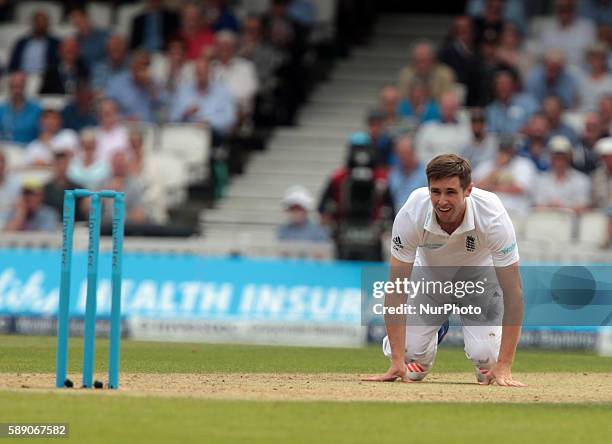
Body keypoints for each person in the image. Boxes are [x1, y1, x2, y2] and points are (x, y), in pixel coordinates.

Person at [364, 154, 526, 387]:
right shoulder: (412, 212)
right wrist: (397, 361)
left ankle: (489, 360)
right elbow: (397, 289)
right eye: (435, 191)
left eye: (450, 192)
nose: (442, 201)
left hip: (477, 280)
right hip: (430, 277)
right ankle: (433, 331)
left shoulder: (493, 216)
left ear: (468, 190)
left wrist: (505, 366)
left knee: (487, 364)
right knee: (409, 360)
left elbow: (514, 294)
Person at [168, 58, 236, 136]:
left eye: (204, 72)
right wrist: (185, 114)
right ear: (194, 73)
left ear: (210, 73)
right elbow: (172, 119)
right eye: (199, 73)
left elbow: (230, 119)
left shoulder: (223, 92)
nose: (201, 76)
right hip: (186, 134)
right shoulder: (182, 91)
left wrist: (209, 122)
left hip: (214, 136)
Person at [473, 136, 537, 218]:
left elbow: (518, 189)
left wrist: (490, 188)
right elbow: (475, 188)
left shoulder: (524, 164)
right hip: (488, 213)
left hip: (515, 213)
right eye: (503, 149)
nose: (506, 153)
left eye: (508, 150)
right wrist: (497, 168)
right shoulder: (487, 165)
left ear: (514, 151)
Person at [105, 50, 165, 123]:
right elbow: (107, 111)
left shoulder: (153, 82)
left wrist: (149, 85)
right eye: (141, 65)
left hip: (149, 128)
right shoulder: (117, 83)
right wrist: (125, 119)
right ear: (132, 66)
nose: (144, 69)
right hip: (124, 129)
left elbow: (161, 105)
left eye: (147, 65)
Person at [534, 136, 590, 212]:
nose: (559, 158)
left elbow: (582, 205)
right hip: (546, 221)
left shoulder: (581, 179)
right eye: (556, 155)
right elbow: (538, 204)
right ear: (550, 157)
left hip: (572, 222)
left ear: (570, 157)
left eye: (563, 155)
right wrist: (554, 206)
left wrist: (560, 206)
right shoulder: (540, 180)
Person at [210, 31, 259, 116]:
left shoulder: (246, 67)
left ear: (234, 48)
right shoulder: (210, 68)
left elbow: (250, 91)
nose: (224, 49)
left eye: (228, 46)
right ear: (216, 48)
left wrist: (226, 101)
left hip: (240, 113)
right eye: (221, 46)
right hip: (214, 114)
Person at [414, 91, 471, 162]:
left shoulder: (467, 130)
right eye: (447, 108)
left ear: (457, 109)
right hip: (433, 168)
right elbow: (420, 153)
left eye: (452, 108)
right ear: (440, 108)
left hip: (459, 169)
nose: (449, 111)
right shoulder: (427, 128)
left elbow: (469, 154)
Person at [538, 0, 596, 68]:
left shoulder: (587, 27)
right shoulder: (546, 29)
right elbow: (542, 57)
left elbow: (591, 56)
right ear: (555, 9)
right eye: (561, 7)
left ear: (575, 8)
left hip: (579, 72)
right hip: (553, 72)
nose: (564, 10)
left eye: (568, 7)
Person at [437, 16, 480, 106]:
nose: (463, 31)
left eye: (466, 28)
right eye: (459, 28)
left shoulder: (478, 50)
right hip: (452, 99)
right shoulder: (445, 52)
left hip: (473, 100)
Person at [485, 70, 538, 135]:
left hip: (526, 141)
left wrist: (528, 128)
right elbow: (491, 133)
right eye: (500, 84)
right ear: (495, 87)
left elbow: (537, 122)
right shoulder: (491, 110)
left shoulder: (527, 102)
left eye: (506, 83)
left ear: (513, 85)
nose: (503, 87)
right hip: (501, 143)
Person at [388, 135, 428, 211]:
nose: (403, 157)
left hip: (419, 214)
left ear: (413, 152)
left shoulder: (426, 173)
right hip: (397, 214)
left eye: (406, 153)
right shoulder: (394, 173)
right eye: (400, 153)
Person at [0, 72, 42, 144]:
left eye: (19, 86)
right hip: (5, 150)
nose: (16, 90)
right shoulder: (1, 110)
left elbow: (43, 134)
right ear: (9, 87)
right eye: (14, 86)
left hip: (28, 149)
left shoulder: (37, 110)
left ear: (25, 86)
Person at [43, 150, 82, 218]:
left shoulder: (77, 188)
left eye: (64, 163)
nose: (61, 167)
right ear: (54, 165)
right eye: (58, 163)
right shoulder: (45, 189)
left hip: (74, 225)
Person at [577, 41, 612, 112]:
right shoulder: (580, 79)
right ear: (589, 59)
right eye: (593, 57)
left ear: (604, 60)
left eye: (600, 57)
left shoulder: (610, 80)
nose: (596, 61)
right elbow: (575, 102)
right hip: (583, 116)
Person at [0, 151, 21, 229]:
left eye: (2, 161)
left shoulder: (16, 185)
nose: (0, 165)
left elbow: (21, 211)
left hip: (11, 230)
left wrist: (9, 231)